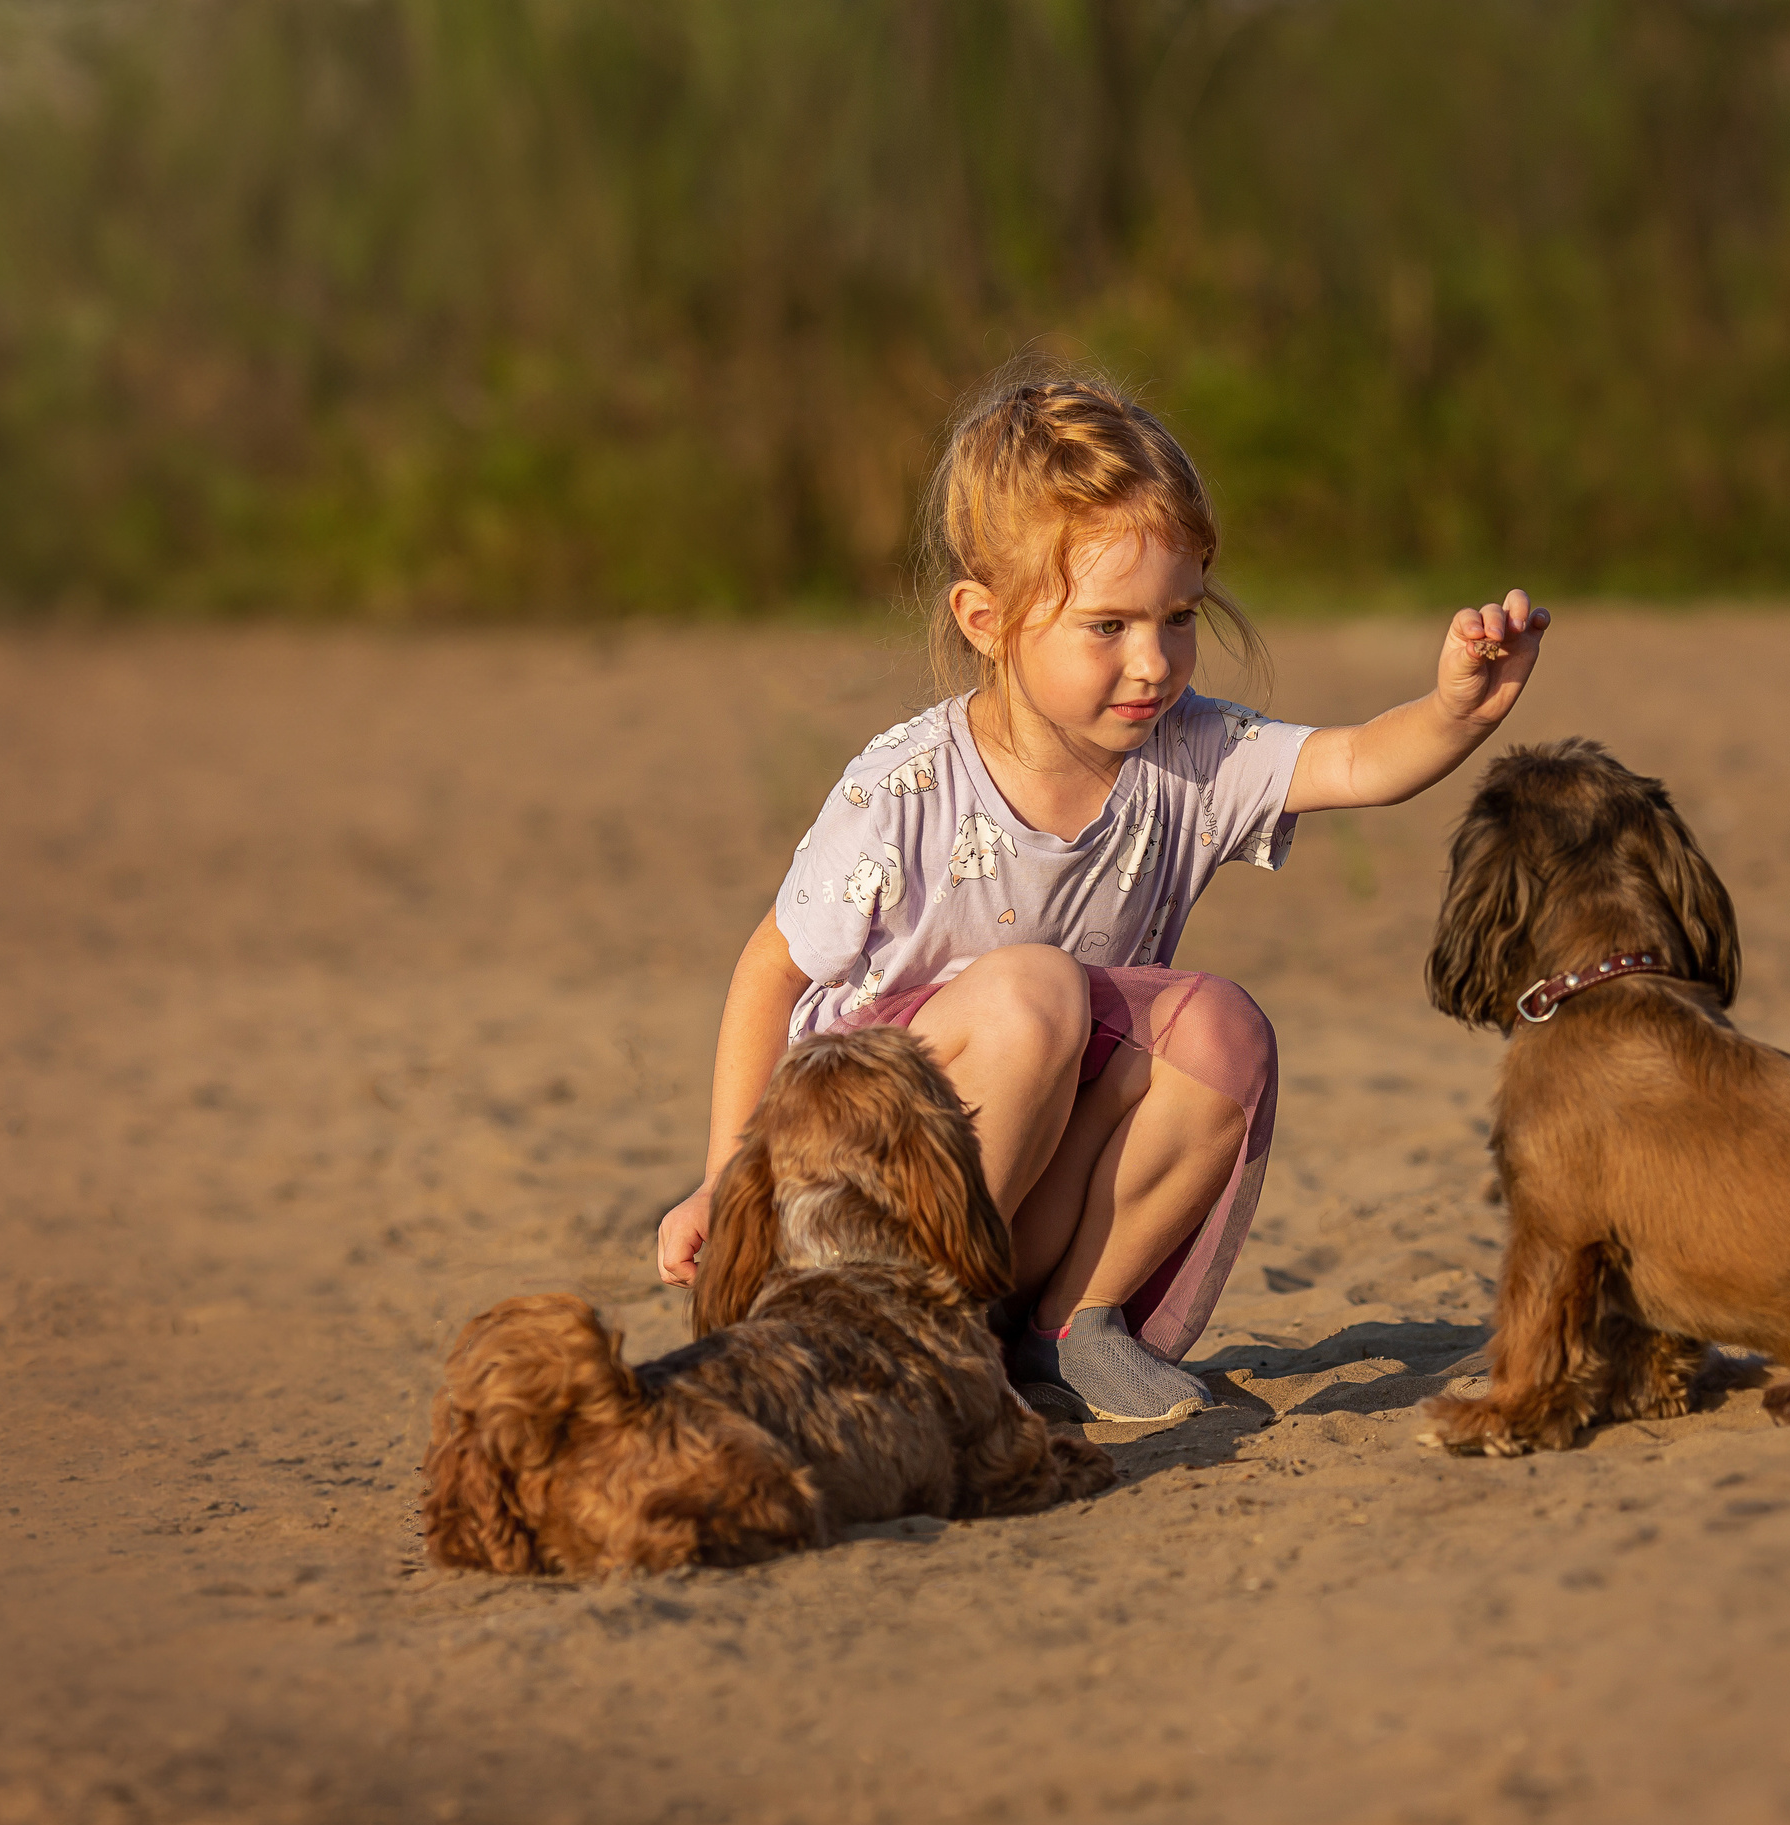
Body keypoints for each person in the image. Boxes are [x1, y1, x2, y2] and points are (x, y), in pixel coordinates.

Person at [656, 368, 1547, 1424]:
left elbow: (1356, 762)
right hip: (862, 1201)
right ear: (987, 620)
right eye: (1106, 625)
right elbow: (772, 966)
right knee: (1034, 994)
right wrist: (725, 1181)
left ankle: (1065, 1327)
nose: (1152, 661)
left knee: (1219, 1027)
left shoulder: (1192, 754)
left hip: (1021, 1207)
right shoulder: (907, 786)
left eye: (1178, 617)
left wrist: (1457, 709)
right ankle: (907, 1330)